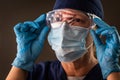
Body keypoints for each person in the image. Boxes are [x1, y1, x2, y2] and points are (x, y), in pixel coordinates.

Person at [6, 0, 120, 80]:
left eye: (77, 20)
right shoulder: (37, 73)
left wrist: (112, 72)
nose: (63, 27)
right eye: (58, 19)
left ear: (97, 29)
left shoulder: (112, 75)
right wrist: (21, 63)